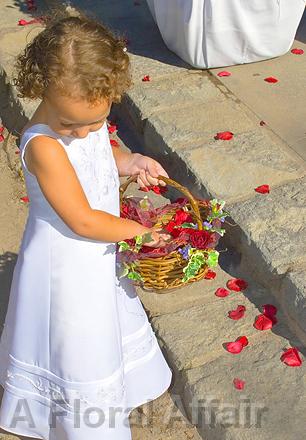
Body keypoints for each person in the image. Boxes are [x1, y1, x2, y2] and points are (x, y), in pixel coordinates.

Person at [0, 8, 173, 440]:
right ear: (42, 89)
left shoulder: (86, 118)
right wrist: (143, 232)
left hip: (97, 255)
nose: (83, 132)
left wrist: (128, 160)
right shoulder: (43, 145)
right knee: (75, 343)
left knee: (101, 333)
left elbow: (101, 150)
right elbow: (80, 219)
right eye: (71, 123)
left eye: (96, 120)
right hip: (66, 267)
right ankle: (79, 426)